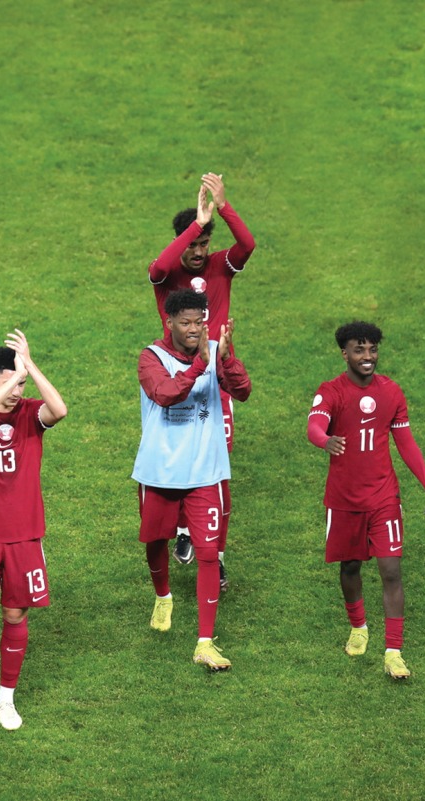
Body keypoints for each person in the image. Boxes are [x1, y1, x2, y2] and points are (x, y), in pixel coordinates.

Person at [307, 321, 425, 680]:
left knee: (391, 569)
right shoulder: (331, 391)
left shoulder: (392, 392)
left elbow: (406, 444)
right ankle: (358, 626)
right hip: (343, 500)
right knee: (350, 567)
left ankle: (394, 652)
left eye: (372, 349)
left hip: (384, 497)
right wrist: (325, 441)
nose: (367, 356)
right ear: (345, 354)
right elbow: (314, 425)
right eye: (359, 349)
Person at [133, 290, 250, 670]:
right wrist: (202, 365)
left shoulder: (214, 350)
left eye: (200, 322)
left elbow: (243, 391)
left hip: (205, 472)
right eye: (186, 322)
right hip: (160, 471)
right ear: (169, 323)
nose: (195, 329)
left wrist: (227, 359)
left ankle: (204, 641)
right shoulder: (151, 357)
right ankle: (163, 595)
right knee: (155, 542)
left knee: (208, 554)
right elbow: (165, 393)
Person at [147, 174, 257, 582]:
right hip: (174, 376)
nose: (197, 251)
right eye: (192, 242)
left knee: (217, 467)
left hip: (216, 379)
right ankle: (180, 529)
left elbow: (247, 246)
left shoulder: (221, 266)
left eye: (203, 243)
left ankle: (219, 553)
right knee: (177, 458)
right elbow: (159, 265)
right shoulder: (165, 276)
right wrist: (196, 222)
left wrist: (223, 208)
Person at [0, 331, 67, 731]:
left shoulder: (31, 414)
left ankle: (7, 697)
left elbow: (61, 409)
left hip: (25, 536)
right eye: (8, 382)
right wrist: (9, 381)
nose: (16, 391)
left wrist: (30, 368)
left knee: (16, 614)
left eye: (20, 384)